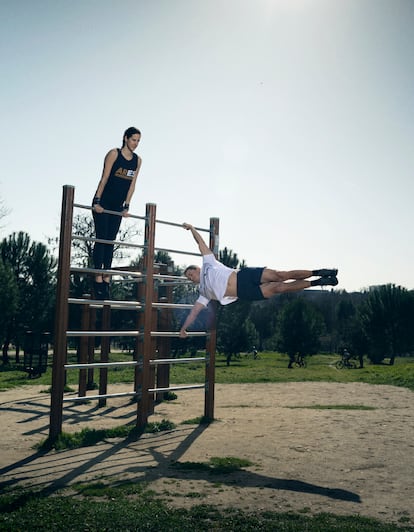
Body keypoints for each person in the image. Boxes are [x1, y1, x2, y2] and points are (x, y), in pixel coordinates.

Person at [179, 223, 338, 338]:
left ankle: (319, 272)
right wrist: (184, 329)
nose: (190, 278)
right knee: (279, 288)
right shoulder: (204, 293)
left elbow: (200, 243)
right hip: (245, 292)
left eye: (190, 274)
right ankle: (318, 283)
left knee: (280, 275)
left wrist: (192, 229)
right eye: (188, 278)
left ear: (196, 269)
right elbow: (194, 312)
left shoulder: (208, 263)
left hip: (244, 275)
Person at [91, 127, 142, 299]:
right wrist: (97, 201)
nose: (135, 144)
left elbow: (132, 185)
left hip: (117, 206)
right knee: (102, 238)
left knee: (111, 241)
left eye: (138, 141)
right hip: (103, 202)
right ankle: (98, 278)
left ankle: (106, 277)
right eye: (133, 139)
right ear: (125, 138)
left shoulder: (137, 161)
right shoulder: (114, 154)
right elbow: (104, 178)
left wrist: (126, 206)